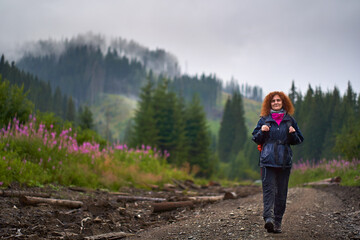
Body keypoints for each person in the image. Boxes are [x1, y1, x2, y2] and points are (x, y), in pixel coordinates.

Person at [252, 91, 304, 233]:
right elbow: (256, 138)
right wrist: (262, 131)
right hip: (267, 160)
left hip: (284, 162)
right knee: (269, 191)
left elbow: (299, 140)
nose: (275, 103)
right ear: (270, 104)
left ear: (283, 103)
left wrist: (293, 133)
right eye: (273, 101)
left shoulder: (290, 120)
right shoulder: (264, 119)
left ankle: (278, 222)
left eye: (278, 101)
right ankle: (268, 218)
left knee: (281, 193)